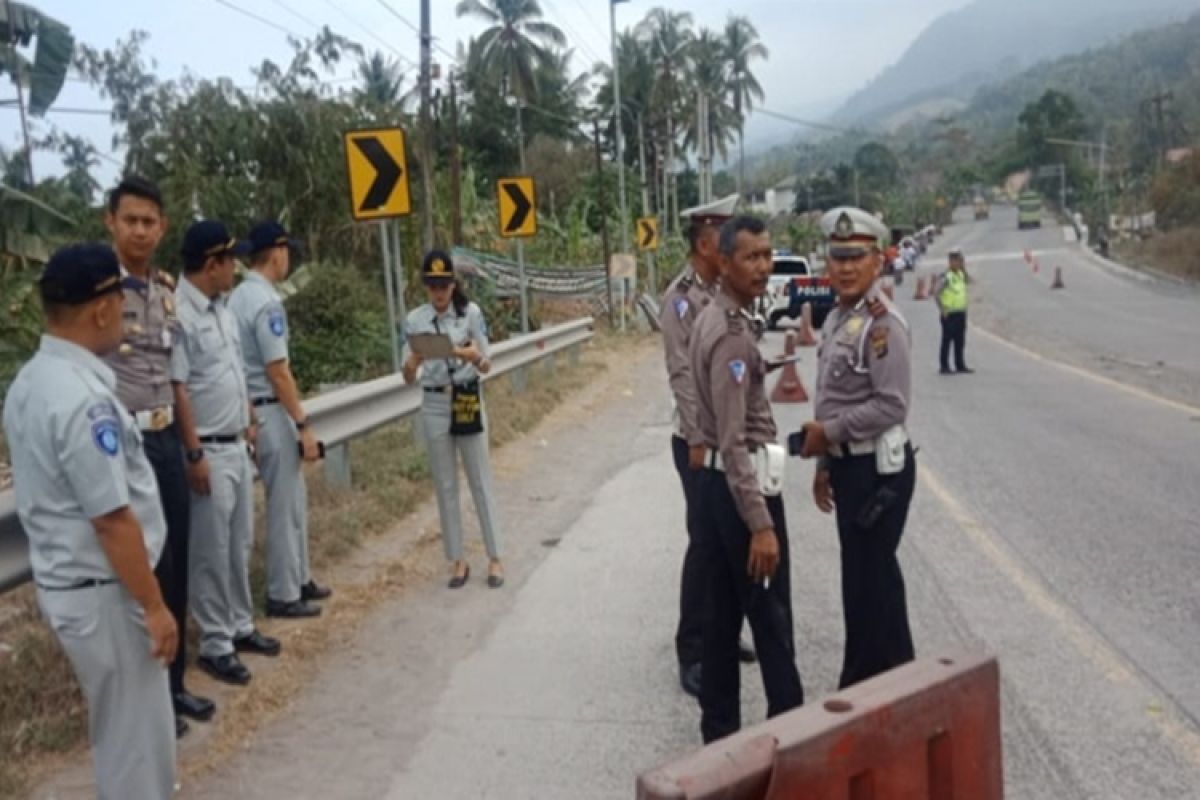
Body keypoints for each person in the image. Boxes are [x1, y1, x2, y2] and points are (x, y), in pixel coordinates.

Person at [4, 244, 177, 799]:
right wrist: (154, 606)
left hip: (76, 587)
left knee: (119, 737)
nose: (125, 315)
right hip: (107, 595)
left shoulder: (32, 381)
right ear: (102, 309)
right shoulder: (83, 399)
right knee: (138, 751)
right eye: (120, 304)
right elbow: (111, 518)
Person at [102, 176, 211, 737]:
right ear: (111, 223)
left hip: (167, 441)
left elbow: (176, 379)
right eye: (131, 220)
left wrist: (193, 449)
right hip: (122, 446)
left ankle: (174, 688)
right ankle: (148, 701)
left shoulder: (165, 294)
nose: (141, 230)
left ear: (162, 227)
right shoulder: (96, 295)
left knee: (177, 566)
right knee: (142, 572)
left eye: (150, 221)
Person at [689, 216, 804, 744]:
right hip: (743, 493)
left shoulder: (716, 317)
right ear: (726, 261)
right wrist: (760, 524)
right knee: (773, 628)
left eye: (768, 255)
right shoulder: (732, 337)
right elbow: (735, 441)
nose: (763, 266)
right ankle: (790, 746)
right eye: (751, 257)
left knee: (719, 627)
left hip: (716, 489)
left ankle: (719, 749)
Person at [798, 206, 917, 690]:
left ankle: (869, 686)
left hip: (878, 473)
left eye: (856, 258)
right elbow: (833, 397)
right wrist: (826, 462)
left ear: (878, 262)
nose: (845, 268)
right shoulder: (837, 319)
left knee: (870, 585)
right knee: (867, 584)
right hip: (851, 468)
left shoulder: (882, 325)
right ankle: (895, 684)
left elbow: (892, 405)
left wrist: (828, 435)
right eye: (837, 257)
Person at [172, 221, 282, 685]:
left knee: (238, 544)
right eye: (229, 260)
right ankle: (216, 642)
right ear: (211, 264)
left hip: (237, 440)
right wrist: (194, 452)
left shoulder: (221, 309)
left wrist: (251, 417)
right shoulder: (179, 314)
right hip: (208, 451)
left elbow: (234, 371)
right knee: (211, 552)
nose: (235, 268)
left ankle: (240, 625)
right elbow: (179, 388)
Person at [228, 220, 330, 618]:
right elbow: (278, 370)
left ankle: (300, 577)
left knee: (293, 501)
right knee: (284, 505)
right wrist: (302, 423)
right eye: (287, 252)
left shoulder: (237, 298)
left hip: (253, 408)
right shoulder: (266, 303)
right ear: (277, 253)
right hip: (270, 407)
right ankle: (284, 592)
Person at [659, 199, 737, 698]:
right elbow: (681, 372)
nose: (732, 247)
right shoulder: (681, 299)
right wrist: (696, 435)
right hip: (696, 439)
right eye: (725, 239)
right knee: (704, 542)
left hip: (728, 435)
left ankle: (724, 632)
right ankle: (692, 649)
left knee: (730, 539)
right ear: (706, 243)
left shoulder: (725, 293)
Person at [402, 250, 504, 589]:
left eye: (444, 284)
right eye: (433, 286)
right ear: (426, 287)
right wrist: (413, 361)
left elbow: (488, 363)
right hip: (433, 403)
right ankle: (457, 560)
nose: (439, 292)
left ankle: (495, 557)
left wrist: (474, 356)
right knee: (446, 485)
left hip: (466, 397)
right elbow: (406, 376)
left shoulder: (470, 314)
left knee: (479, 479)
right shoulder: (416, 320)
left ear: (453, 283)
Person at [934, 247, 973, 374]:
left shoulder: (961, 274)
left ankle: (960, 364)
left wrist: (964, 267)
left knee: (960, 340)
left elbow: (970, 281)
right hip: (949, 314)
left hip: (960, 312)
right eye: (955, 260)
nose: (957, 262)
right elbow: (936, 293)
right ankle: (944, 366)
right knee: (947, 340)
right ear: (950, 261)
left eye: (959, 260)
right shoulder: (946, 276)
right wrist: (942, 309)